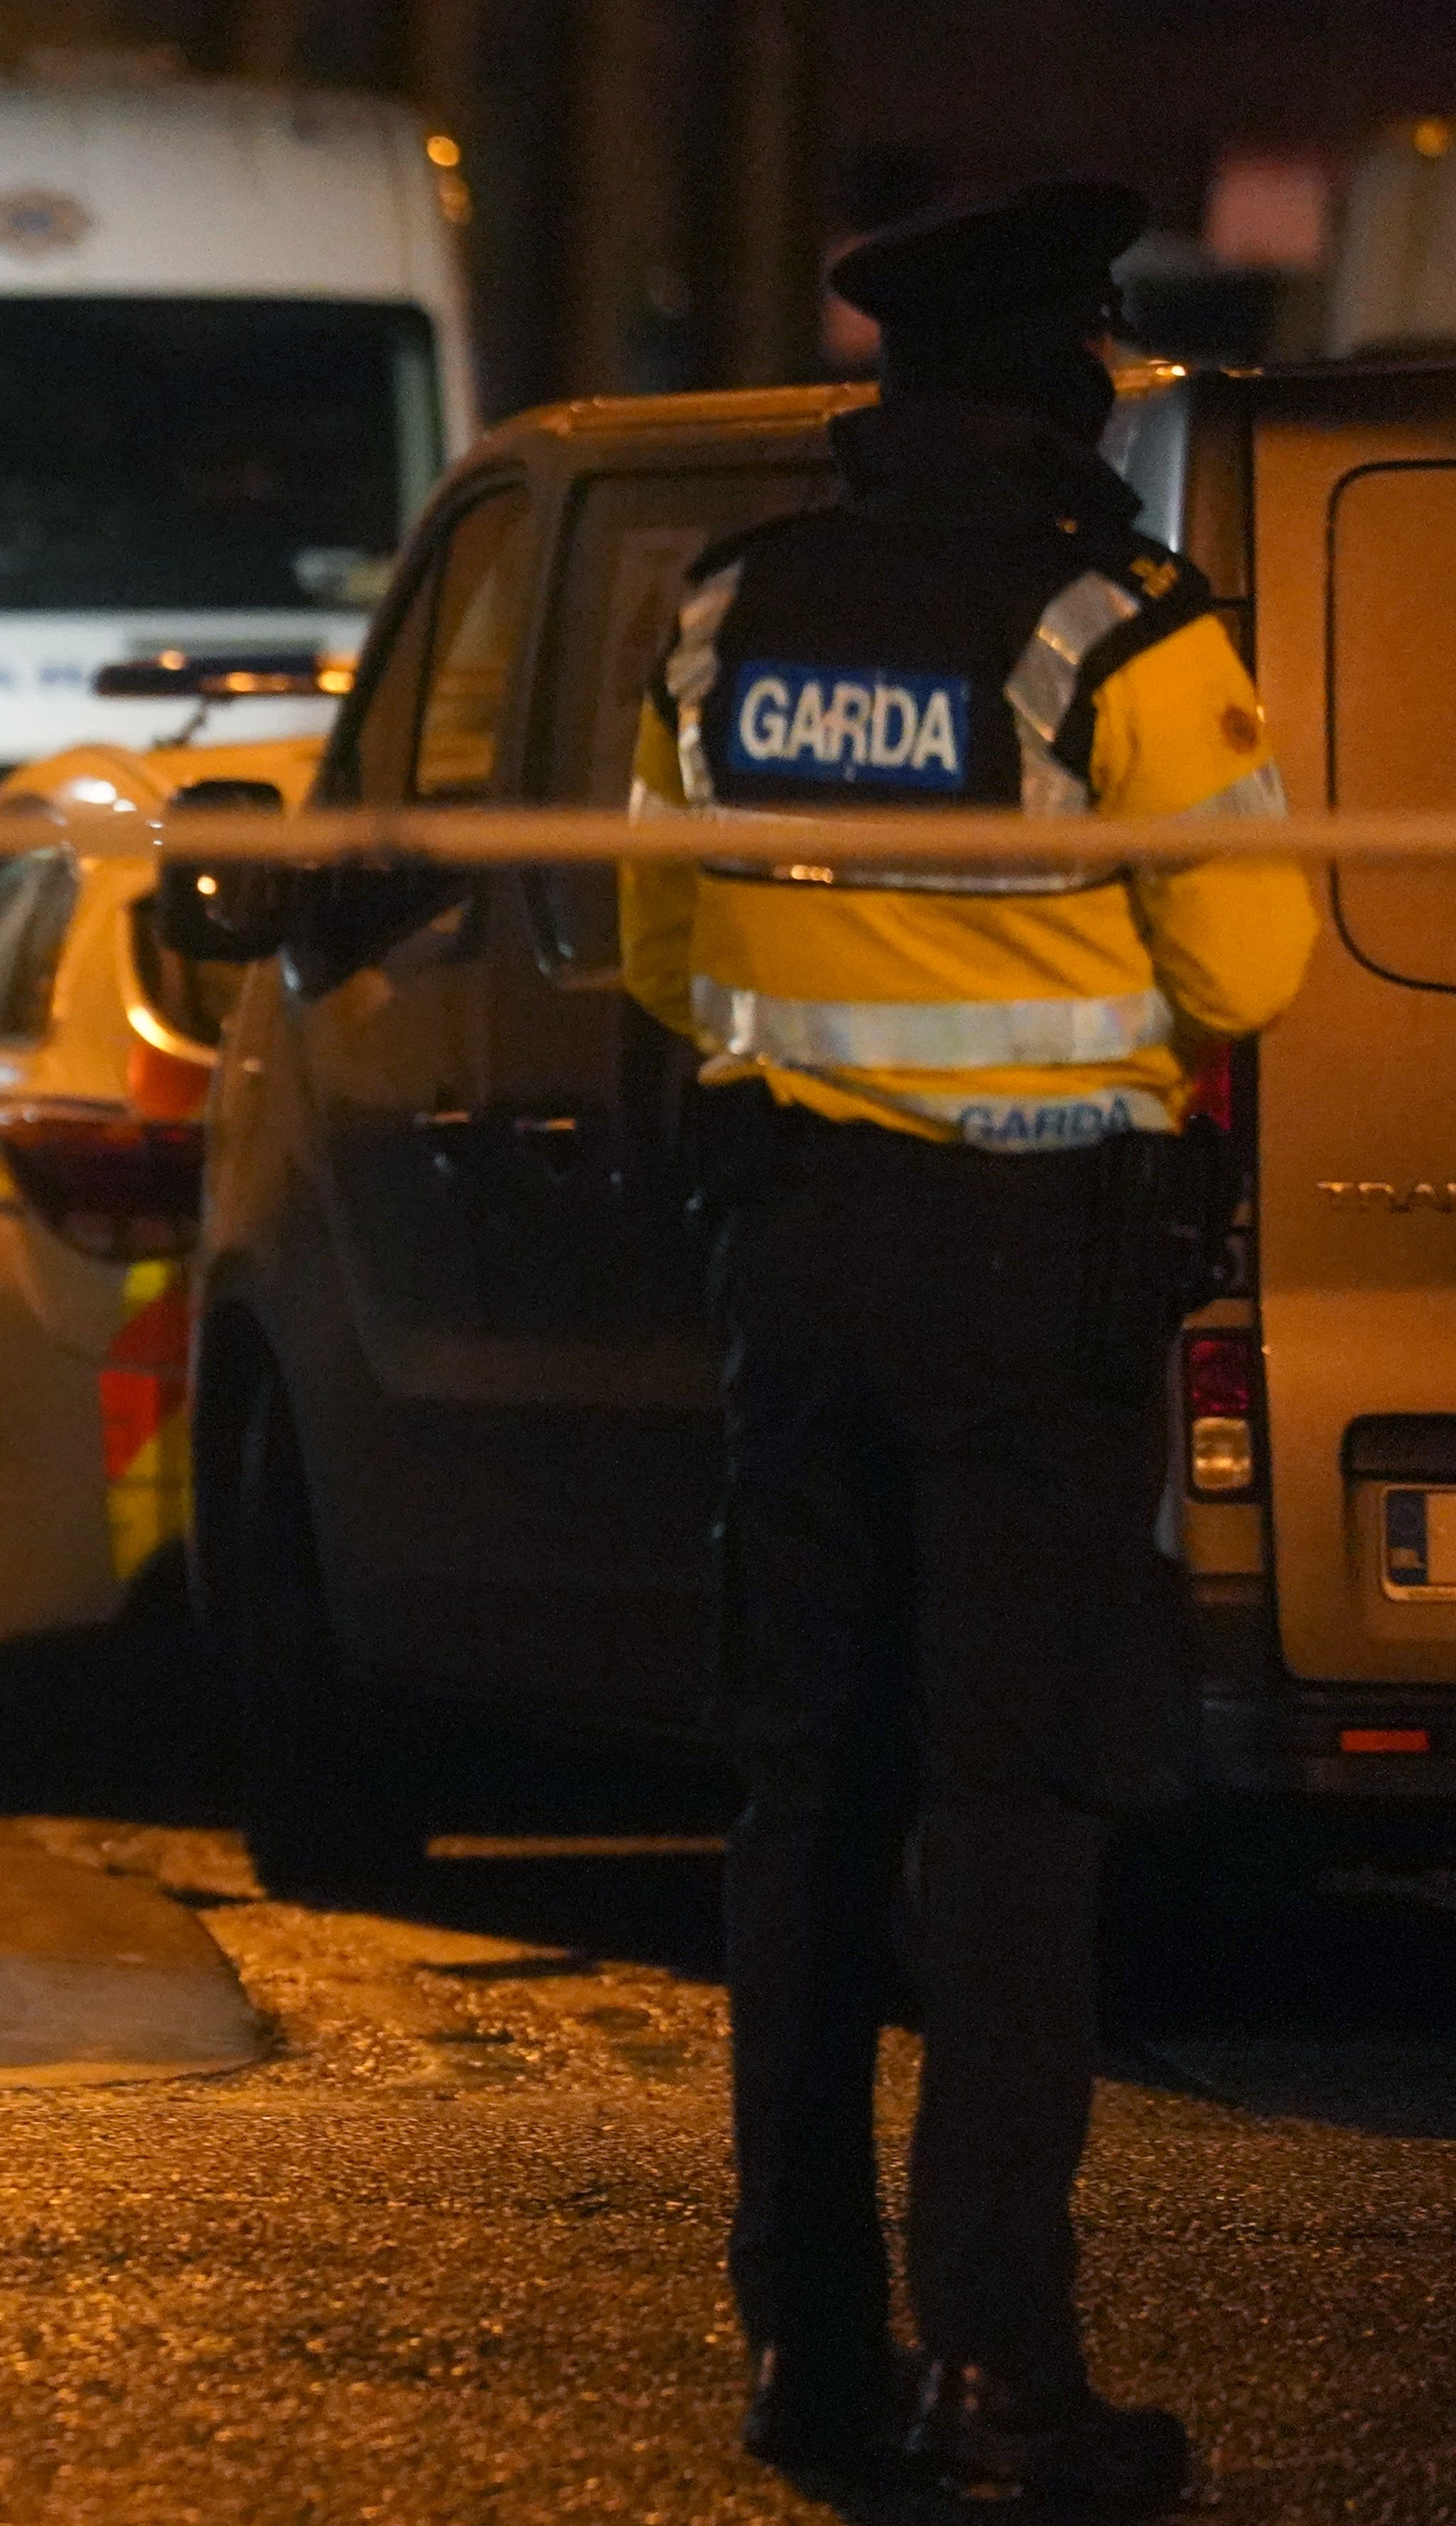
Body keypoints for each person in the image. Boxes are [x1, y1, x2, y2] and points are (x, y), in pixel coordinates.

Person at [621, 182, 1317, 2507]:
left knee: (803, 1802)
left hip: (791, 1270)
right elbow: (1250, 975)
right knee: (1011, 1810)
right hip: (1025, 1290)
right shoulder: (1120, 637)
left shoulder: (720, 612)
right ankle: (1001, 2369)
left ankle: (807, 2351)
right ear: (1069, 377)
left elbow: (651, 946)